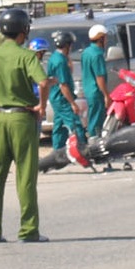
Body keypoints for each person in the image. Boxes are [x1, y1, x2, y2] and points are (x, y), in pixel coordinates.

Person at [0, 7, 52, 244]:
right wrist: (41, 107)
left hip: (0, 118)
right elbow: (43, 83)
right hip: (22, 119)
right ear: (24, 30)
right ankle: (28, 230)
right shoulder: (27, 56)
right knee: (25, 175)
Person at [44, 31, 91, 168]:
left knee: (59, 126)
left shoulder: (56, 58)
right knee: (75, 123)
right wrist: (72, 103)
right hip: (62, 98)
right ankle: (84, 152)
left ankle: (57, 153)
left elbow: (68, 72)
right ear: (67, 45)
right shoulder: (60, 61)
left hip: (56, 97)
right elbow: (63, 85)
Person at [80, 23, 111, 137]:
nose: (107, 40)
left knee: (92, 116)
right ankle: (94, 140)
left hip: (88, 90)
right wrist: (106, 95)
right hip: (96, 92)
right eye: (105, 37)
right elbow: (100, 77)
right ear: (101, 38)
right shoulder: (97, 55)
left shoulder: (86, 52)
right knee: (97, 120)